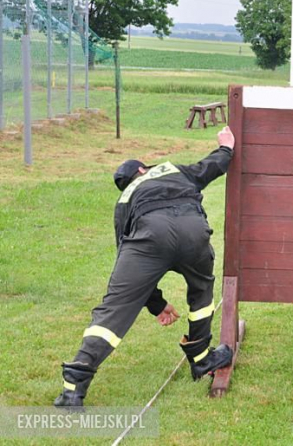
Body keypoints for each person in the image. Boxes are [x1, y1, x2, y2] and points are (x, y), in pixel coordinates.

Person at [54, 126, 236, 407]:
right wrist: (225, 146)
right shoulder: (167, 169)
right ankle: (201, 359)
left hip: (147, 238)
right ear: (142, 170)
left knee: (115, 308)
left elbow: (126, 259)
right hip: (191, 230)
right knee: (201, 290)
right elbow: (209, 168)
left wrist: (156, 303)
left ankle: (74, 385)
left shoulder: (123, 201)